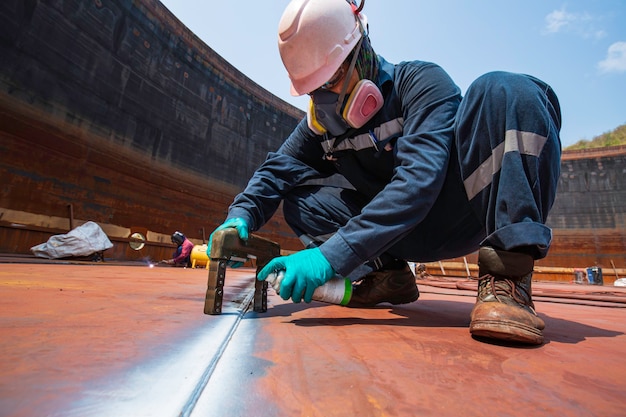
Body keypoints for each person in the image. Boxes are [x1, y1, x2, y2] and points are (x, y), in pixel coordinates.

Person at [208, 0, 561, 345]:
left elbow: (418, 183)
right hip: (395, 236)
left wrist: (329, 257)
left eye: (329, 83)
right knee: (303, 203)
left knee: (505, 89)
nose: (323, 104)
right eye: (313, 92)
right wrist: (240, 216)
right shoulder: (324, 128)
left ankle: (507, 280)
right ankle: (387, 276)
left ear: (361, 54)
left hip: (463, 215)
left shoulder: (421, 84)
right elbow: (277, 170)